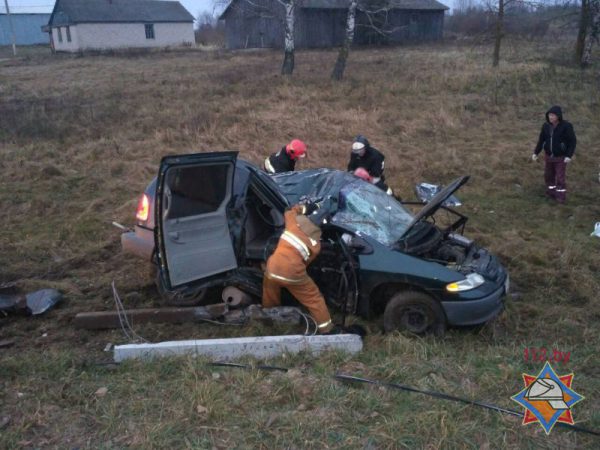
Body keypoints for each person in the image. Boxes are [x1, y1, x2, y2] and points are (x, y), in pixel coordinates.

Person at [262, 202, 334, 333]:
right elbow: (305, 263)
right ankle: (326, 329)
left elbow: (289, 210)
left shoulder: (292, 222)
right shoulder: (316, 245)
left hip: (272, 267)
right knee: (314, 298)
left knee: (270, 291)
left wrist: (308, 207)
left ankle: (267, 319)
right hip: (292, 272)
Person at [532, 105, 576, 203]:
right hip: (549, 157)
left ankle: (560, 196)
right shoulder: (546, 126)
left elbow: (572, 142)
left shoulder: (566, 126)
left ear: (558, 116)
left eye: (553, 115)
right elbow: (541, 140)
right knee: (548, 175)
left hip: (561, 157)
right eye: (549, 115)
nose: (550, 117)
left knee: (560, 177)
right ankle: (551, 192)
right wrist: (536, 152)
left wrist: (569, 155)